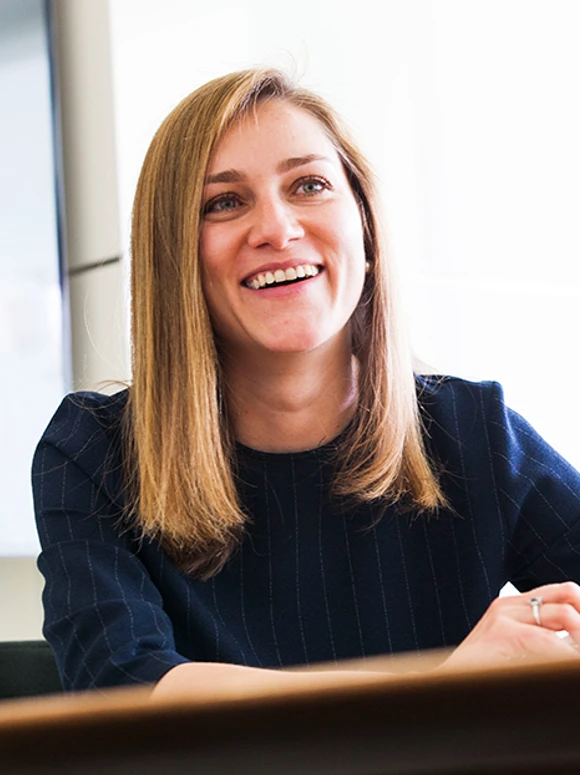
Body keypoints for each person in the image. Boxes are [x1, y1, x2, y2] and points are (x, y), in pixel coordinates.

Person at [32, 68, 580, 696]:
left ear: (366, 230)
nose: (278, 228)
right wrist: (433, 695)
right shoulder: (92, 451)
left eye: (310, 185)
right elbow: (122, 687)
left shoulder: (473, 429)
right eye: (225, 202)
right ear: (174, 254)